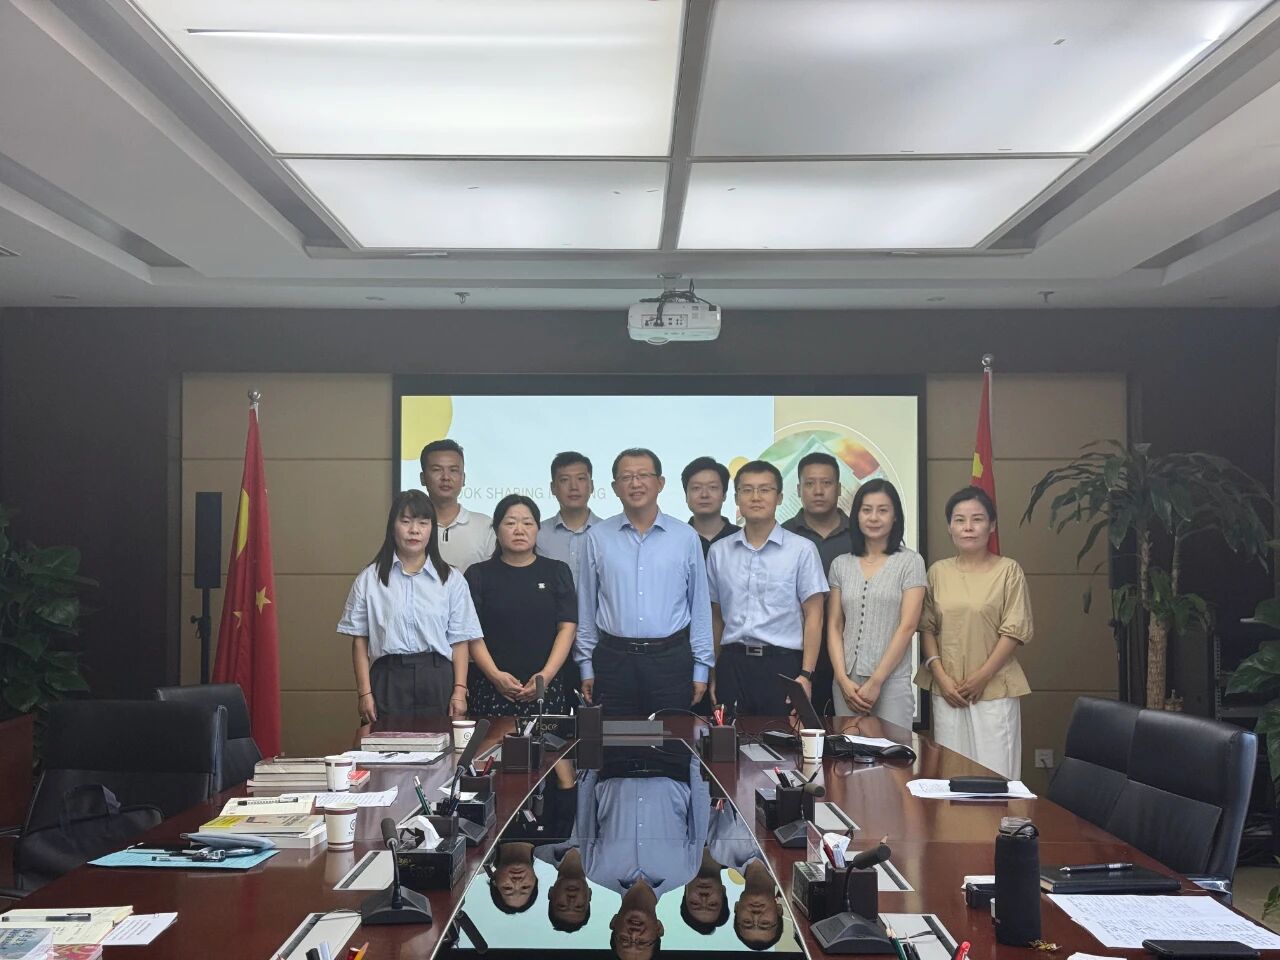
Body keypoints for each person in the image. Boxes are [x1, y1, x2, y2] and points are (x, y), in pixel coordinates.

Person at [576, 448, 714, 716]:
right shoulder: (597, 537)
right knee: (614, 740)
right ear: (615, 487)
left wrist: (701, 668)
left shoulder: (685, 537)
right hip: (613, 662)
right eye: (626, 477)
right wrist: (585, 666)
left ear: (660, 483)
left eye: (643, 475)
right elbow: (586, 607)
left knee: (672, 739)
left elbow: (699, 607)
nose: (635, 483)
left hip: (670, 661)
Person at [914, 486, 1033, 780]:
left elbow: (1014, 630)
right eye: (959, 520)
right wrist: (941, 676)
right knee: (951, 777)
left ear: (992, 525)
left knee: (996, 777)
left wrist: (982, 677)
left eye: (977, 519)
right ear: (949, 527)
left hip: (993, 689)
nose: (968, 527)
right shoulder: (937, 572)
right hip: (949, 690)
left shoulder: (1008, 571)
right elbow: (927, 627)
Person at [337, 489, 479, 722]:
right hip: (388, 678)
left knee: (440, 744)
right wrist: (364, 693)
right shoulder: (369, 578)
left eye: (423, 523)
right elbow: (360, 640)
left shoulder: (451, 579)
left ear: (431, 529)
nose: (414, 530)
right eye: (406, 521)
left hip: (437, 679)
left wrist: (460, 691)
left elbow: (460, 640)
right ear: (392, 527)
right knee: (384, 743)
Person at [707, 460, 827, 716]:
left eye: (765, 489)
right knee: (729, 738)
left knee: (781, 739)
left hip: (783, 665)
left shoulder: (802, 550)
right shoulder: (719, 552)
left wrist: (806, 674)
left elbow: (814, 616)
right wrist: (714, 671)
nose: (756, 497)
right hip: (733, 664)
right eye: (747, 490)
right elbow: (716, 617)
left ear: (779, 497)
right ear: (736, 498)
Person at [827, 479, 927, 730]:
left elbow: (908, 626)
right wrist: (841, 678)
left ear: (895, 516)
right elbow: (835, 625)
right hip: (847, 683)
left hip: (891, 680)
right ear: (856, 516)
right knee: (848, 751)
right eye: (866, 510)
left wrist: (876, 681)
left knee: (892, 753)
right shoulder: (841, 564)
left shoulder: (910, 562)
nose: (873, 517)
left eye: (882, 510)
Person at [465, 495, 577, 716]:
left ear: (537, 529)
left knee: (548, 739)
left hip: (546, 686)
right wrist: (495, 676)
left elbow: (568, 627)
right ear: (496, 530)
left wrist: (546, 675)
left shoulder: (557, 571)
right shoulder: (478, 574)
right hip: (491, 686)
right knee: (491, 740)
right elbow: (470, 632)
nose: (519, 530)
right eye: (510, 523)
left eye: (527, 523)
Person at [781, 451, 848, 713]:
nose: (818, 491)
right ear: (798, 489)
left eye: (826, 483)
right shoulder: (783, 535)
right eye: (810, 484)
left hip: (848, 658)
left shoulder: (860, 536)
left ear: (839, 488)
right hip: (796, 658)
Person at [419, 439, 495, 572]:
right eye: (437, 470)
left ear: (463, 478)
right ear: (423, 478)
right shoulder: (411, 527)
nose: (446, 477)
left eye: (453, 470)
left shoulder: (485, 526)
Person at [537, 451, 603, 587]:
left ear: (592, 486)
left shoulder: (608, 534)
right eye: (564, 480)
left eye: (581, 479)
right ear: (553, 488)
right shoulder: (537, 534)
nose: (573, 487)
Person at [682, 456, 739, 558]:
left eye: (713, 487)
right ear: (686, 496)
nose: (704, 495)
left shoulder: (742, 538)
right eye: (696, 488)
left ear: (724, 495)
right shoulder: (676, 539)